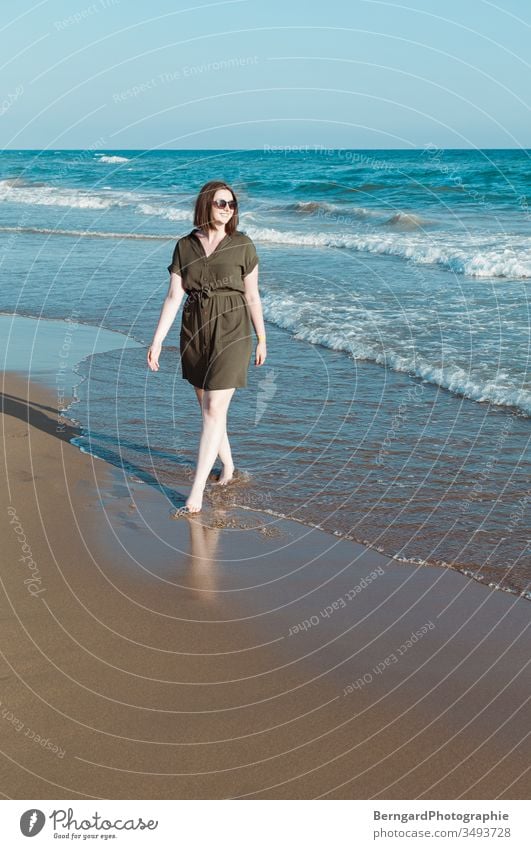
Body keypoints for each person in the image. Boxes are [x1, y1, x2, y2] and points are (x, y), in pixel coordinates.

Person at [147, 180, 267, 514]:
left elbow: (253, 295)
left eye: (231, 204)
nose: (227, 209)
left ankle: (196, 493)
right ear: (205, 205)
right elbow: (173, 296)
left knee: (214, 408)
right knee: (210, 411)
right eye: (220, 203)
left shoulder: (243, 245)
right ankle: (227, 466)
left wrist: (262, 337)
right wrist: (156, 340)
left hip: (233, 329)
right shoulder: (185, 246)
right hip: (195, 330)